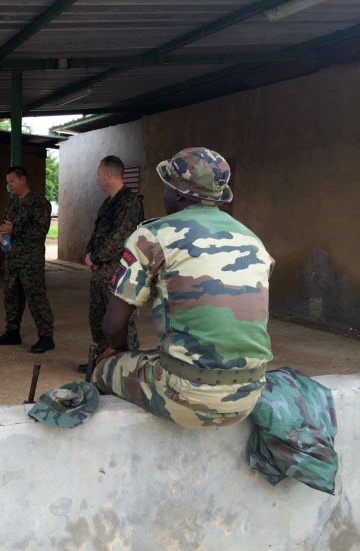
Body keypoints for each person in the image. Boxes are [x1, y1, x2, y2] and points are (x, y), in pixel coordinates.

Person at [92, 147, 273, 428]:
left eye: (165, 187)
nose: (163, 194)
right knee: (160, 356)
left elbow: (113, 325)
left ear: (177, 193)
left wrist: (118, 349)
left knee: (103, 368)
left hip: (186, 394)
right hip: (250, 393)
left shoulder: (153, 235)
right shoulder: (253, 241)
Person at [79, 155, 143, 373]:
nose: (97, 179)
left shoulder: (129, 202)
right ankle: (103, 362)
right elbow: (98, 233)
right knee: (98, 319)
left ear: (108, 175)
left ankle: (129, 365)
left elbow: (121, 237)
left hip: (117, 271)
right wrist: (89, 255)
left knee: (121, 321)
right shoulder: (108, 202)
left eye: (99, 174)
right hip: (100, 271)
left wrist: (96, 258)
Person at [0, 166, 55, 354]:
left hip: (30, 260)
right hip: (13, 258)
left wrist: (14, 230)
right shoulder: (13, 203)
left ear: (23, 180)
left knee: (36, 298)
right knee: (11, 297)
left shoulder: (39, 203)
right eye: (7, 182)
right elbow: (6, 223)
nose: (8, 185)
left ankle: (46, 337)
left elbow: (40, 231)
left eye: (11, 181)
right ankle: (12, 332)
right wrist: (2, 235)